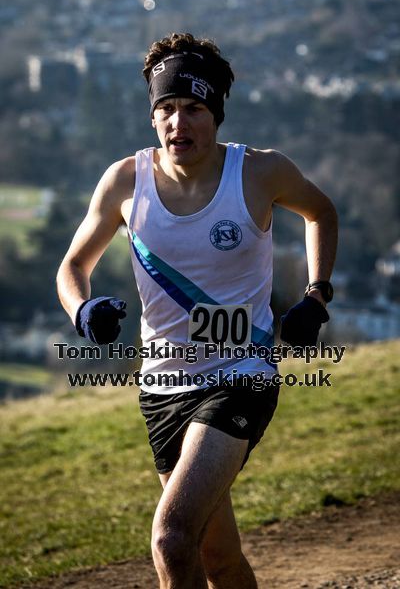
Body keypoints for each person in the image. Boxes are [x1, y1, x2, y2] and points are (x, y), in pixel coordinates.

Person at [56, 32, 338, 589]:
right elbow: (71, 268)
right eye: (165, 109)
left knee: (171, 536)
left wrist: (316, 294)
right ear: (152, 116)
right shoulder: (124, 181)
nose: (177, 123)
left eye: (193, 108)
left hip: (242, 374)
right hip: (162, 386)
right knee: (218, 558)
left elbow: (321, 213)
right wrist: (83, 311)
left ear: (217, 116)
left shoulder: (258, 173)